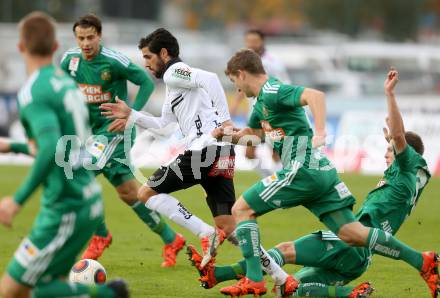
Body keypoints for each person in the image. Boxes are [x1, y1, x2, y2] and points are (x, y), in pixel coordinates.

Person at [188, 69, 436, 298]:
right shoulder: (412, 177)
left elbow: (399, 136)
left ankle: (229, 275)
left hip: (348, 246)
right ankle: (351, 293)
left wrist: (389, 95)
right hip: (358, 252)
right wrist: (229, 135)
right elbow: (253, 137)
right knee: (288, 288)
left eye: (390, 150)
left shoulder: (406, 166)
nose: (386, 153)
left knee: (265, 234)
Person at [0, 12, 128, 298]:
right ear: (56, 46)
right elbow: (63, 147)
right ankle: (110, 293)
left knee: (13, 291)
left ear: (20, 47)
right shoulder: (67, 84)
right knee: (29, 288)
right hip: (85, 198)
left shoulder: (34, 92)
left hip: (65, 207)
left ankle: (109, 295)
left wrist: (16, 201)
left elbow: (49, 149)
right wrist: (14, 146)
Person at [100, 28, 237, 267]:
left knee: (145, 194)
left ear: (164, 53)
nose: (146, 64)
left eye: (148, 57)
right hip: (221, 152)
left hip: (202, 151)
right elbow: (164, 125)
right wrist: (131, 115)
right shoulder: (175, 84)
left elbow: (211, 79)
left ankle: (205, 233)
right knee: (229, 227)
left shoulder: (173, 72)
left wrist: (226, 120)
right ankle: (277, 273)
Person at [60, 14, 183, 267]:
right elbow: (62, 88)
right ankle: (172, 239)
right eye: (81, 38)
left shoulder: (113, 61)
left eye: (90, 37)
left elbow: (145, 83)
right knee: (129, 193)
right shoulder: (69, 61)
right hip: (87, 134)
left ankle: (100, 236)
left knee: (76, 175)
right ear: (76, 38)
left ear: (99, 36)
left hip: (114, 131)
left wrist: (130, 116)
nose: (85, 43)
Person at [230, 29, 290, 178]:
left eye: (254, 41)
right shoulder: (245, 63)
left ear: (262, 42)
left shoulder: (272, 63)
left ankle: (278, 181)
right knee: (249, 152)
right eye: (248, 41)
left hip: (272, 113)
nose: (251, 44)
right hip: (254, 113)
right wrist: (235, 105)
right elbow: (242, 86)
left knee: (275, 152)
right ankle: (271, 178)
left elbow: (285, 85)